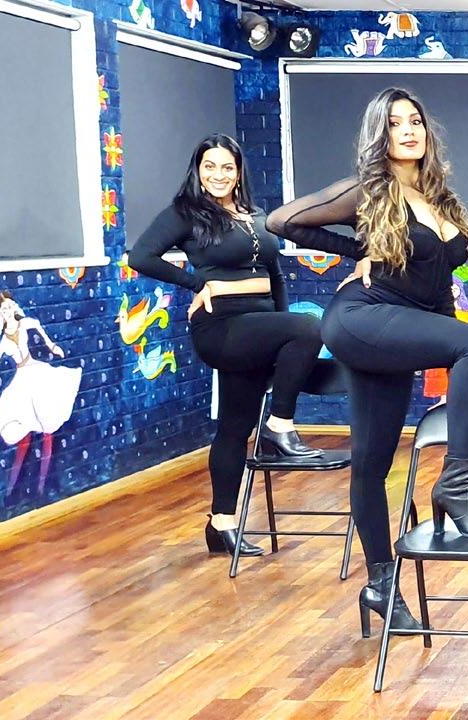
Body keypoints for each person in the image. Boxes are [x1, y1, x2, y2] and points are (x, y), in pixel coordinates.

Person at [267, 88, 468, 637]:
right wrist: (362, 251)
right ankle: (458, 485)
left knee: (372, 463)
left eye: (415, 120)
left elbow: (439, 290)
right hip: (361, 315)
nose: (408, 130)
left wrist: (446, 336)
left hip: (397, 326)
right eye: (395, 123)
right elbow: (282, 221)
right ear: (380, 134)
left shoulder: (439, 199)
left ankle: (379, 584)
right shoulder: (369, 191)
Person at [128, 133, 324, 560]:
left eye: (227, 167)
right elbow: (140, 256)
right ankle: (280, 427)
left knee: (235, 427)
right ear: (198, 172)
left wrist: (281, 326)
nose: (218, 175)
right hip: (223, 327)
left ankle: (221, 526)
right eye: (209, 167)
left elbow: (275, 276)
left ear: (238, 173)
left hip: (260, 326)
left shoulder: (256, 215)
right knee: (310, 327)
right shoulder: (186, 212)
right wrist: (196, 283)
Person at [0, 291, 82, 497]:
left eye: (10, 306)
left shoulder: (24, 323)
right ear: (1, 314)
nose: (8, 310)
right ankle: (11, 490)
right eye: (4, 309)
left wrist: (52, 346)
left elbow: (37, 325)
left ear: (15, 308)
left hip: (36, 372)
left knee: (47, 429)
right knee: (23, 438)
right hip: (21, 379)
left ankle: (41, 487)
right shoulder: (4, 340)